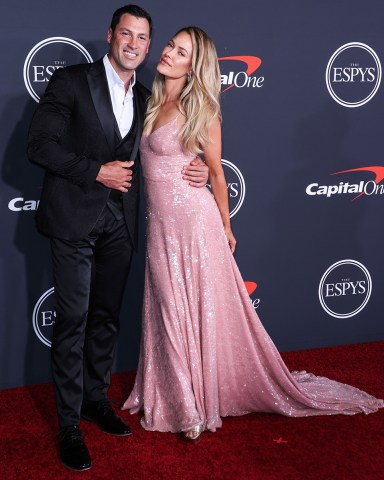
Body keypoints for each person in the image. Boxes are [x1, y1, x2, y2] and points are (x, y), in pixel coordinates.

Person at [122, 26, 383, 442]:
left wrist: (226, 225)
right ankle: (175, 394)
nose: (169, 52)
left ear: (194, 65)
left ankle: (188, 408)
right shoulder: (151, 100)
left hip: (195, 223)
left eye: (181, 51)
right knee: (167, 309)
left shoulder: (201, 107)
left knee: (184, 310)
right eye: (170, 45)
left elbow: (218, 172)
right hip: (159, 227)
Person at [27, 5, 209, 471]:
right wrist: (96, 172)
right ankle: (69, 424)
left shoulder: (150, 98)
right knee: (72, 319)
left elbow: (172, 144)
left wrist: (203, 164)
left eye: (143, 37)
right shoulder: (71, 80)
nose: (133, 43)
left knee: (105, 318)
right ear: (110, 36)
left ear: (149, 46)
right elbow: (39, 144)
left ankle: (95, 400)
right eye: (125, 33)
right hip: (72, 220)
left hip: (121, 224)